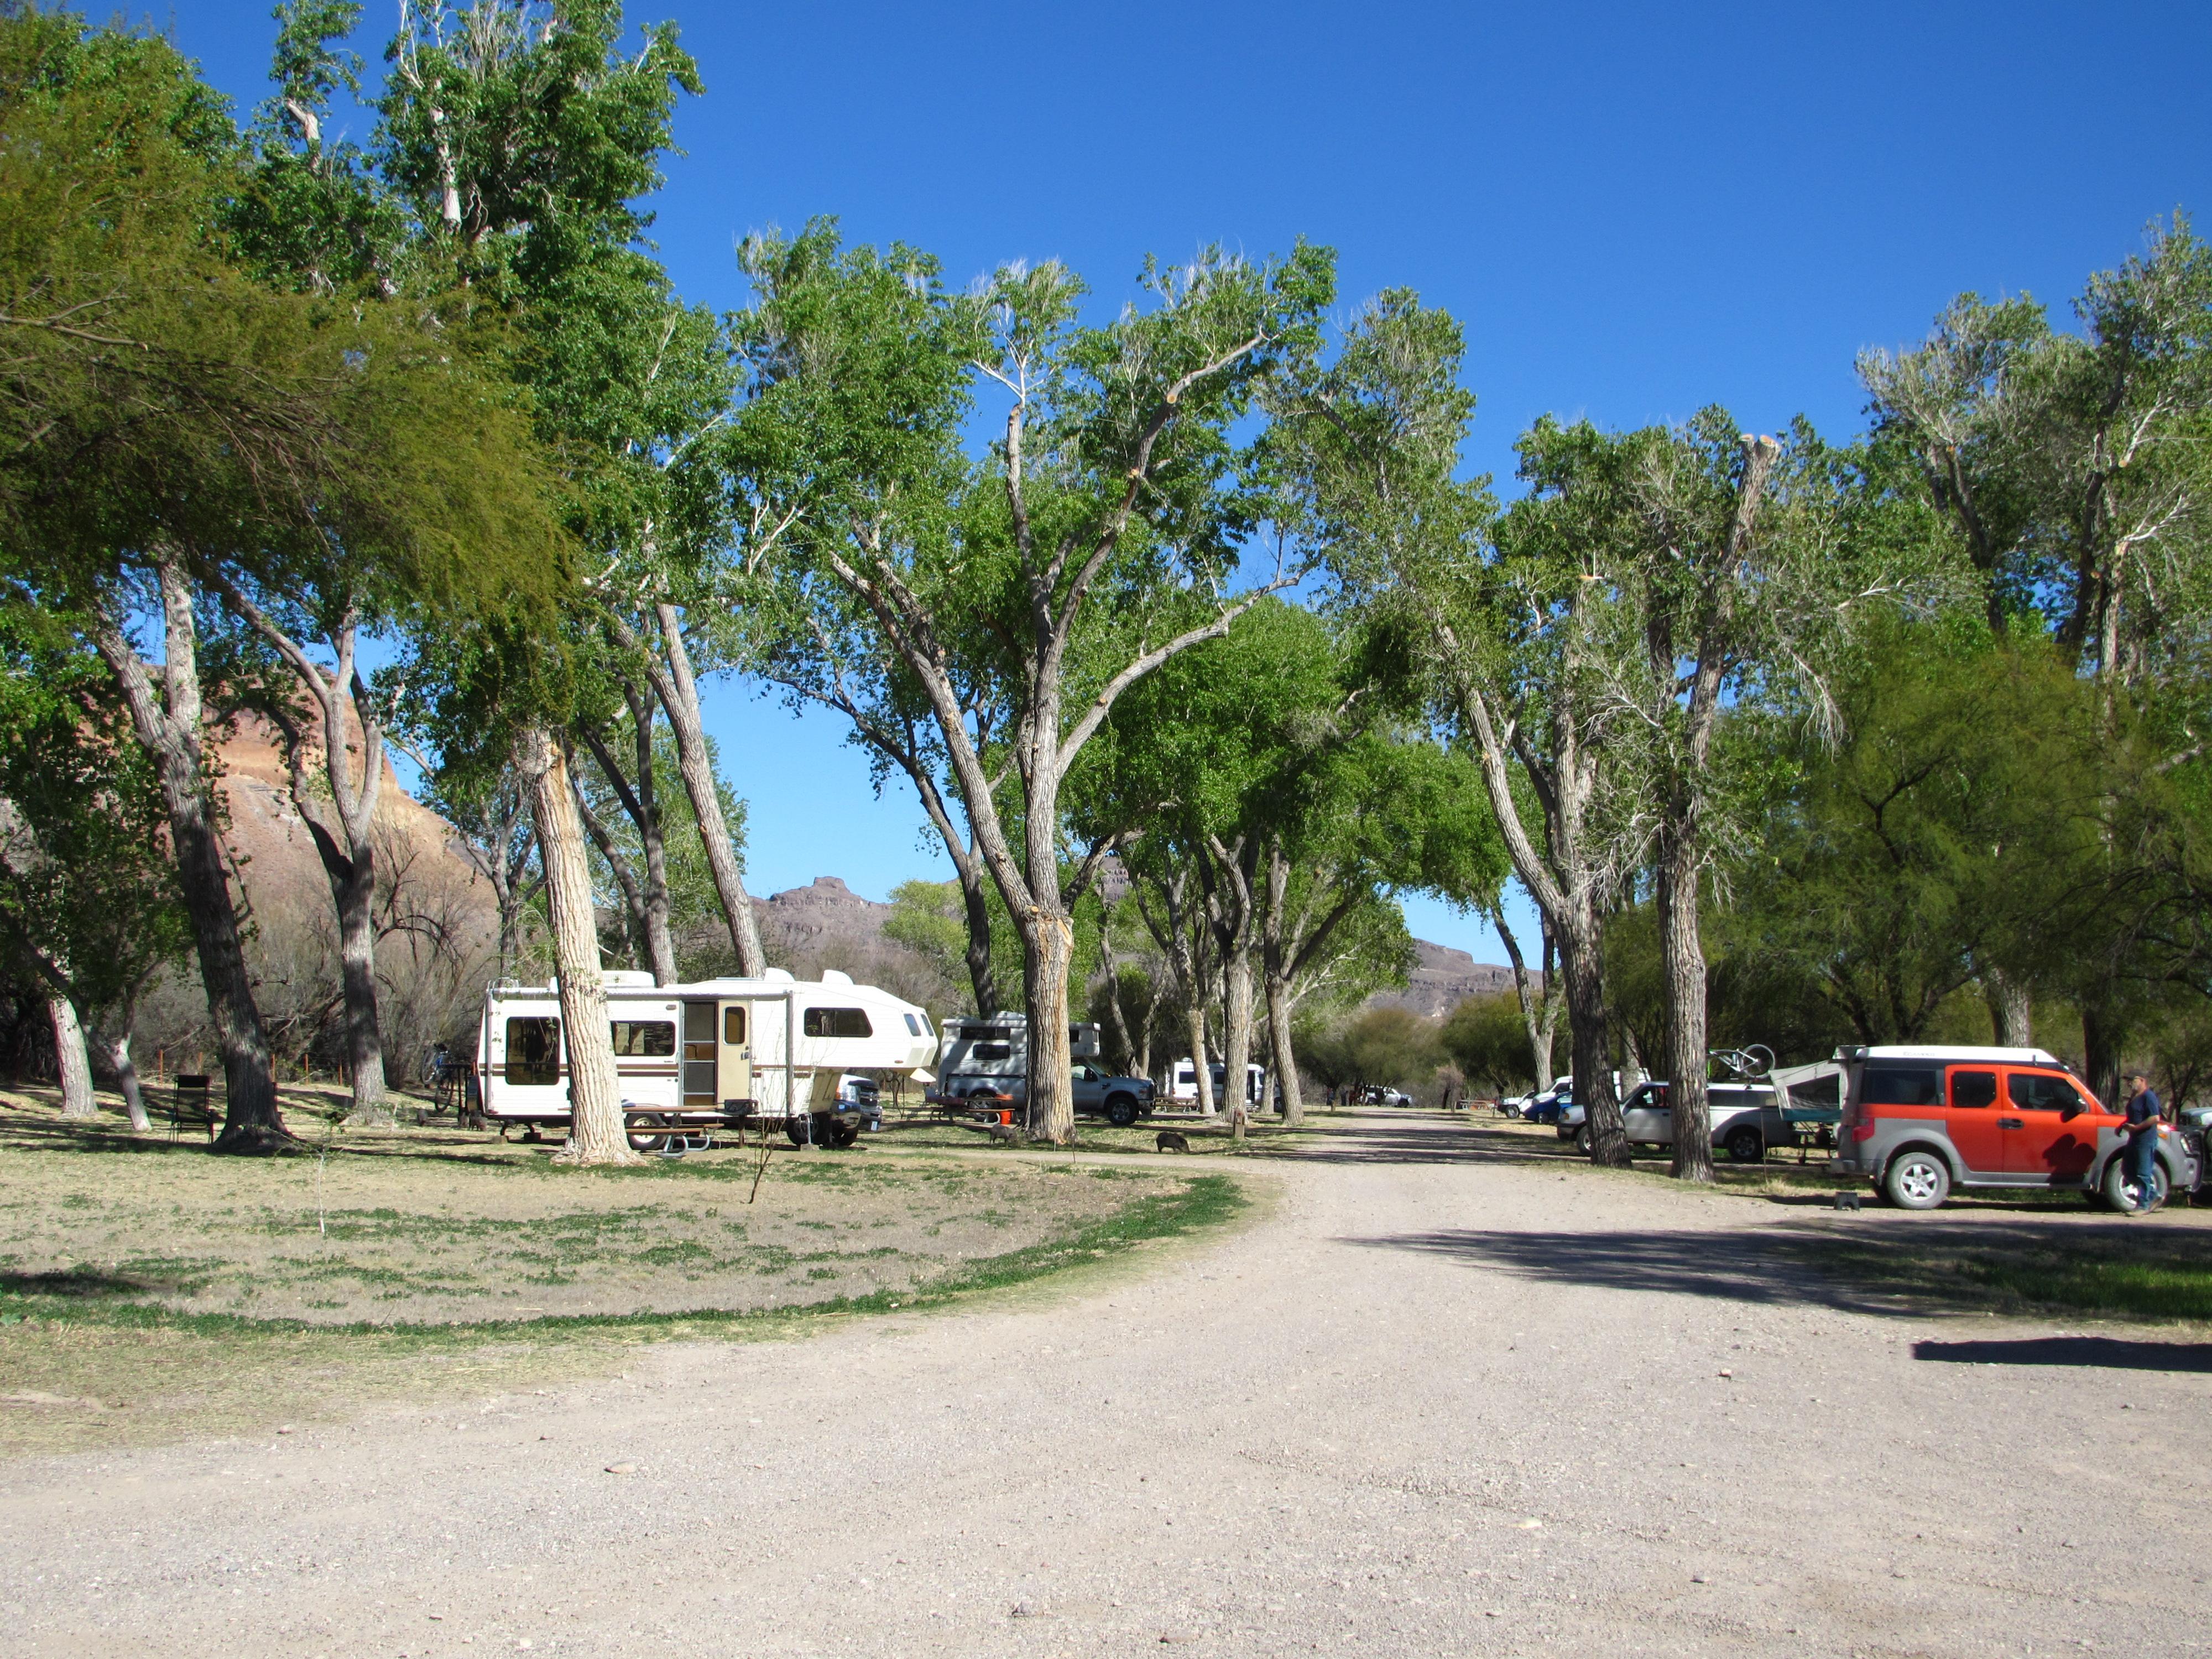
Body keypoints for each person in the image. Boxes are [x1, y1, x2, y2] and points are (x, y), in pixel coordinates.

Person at [2120, 1071, 2164, 1213]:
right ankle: (2153, 1195)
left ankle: (2143, 1205)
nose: (2129, 1083)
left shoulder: (2148, 1096)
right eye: (2128, 1081)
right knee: (2127, 1170)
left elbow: (2155, 1118)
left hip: (2145, 1139)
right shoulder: (2135, 1097)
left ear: (2142, 1080)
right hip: (2134, 1138)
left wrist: (2137, 1128)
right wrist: (2122, 1127)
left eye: (2132, 1080)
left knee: (2142, 1172)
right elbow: (2134, 1116)